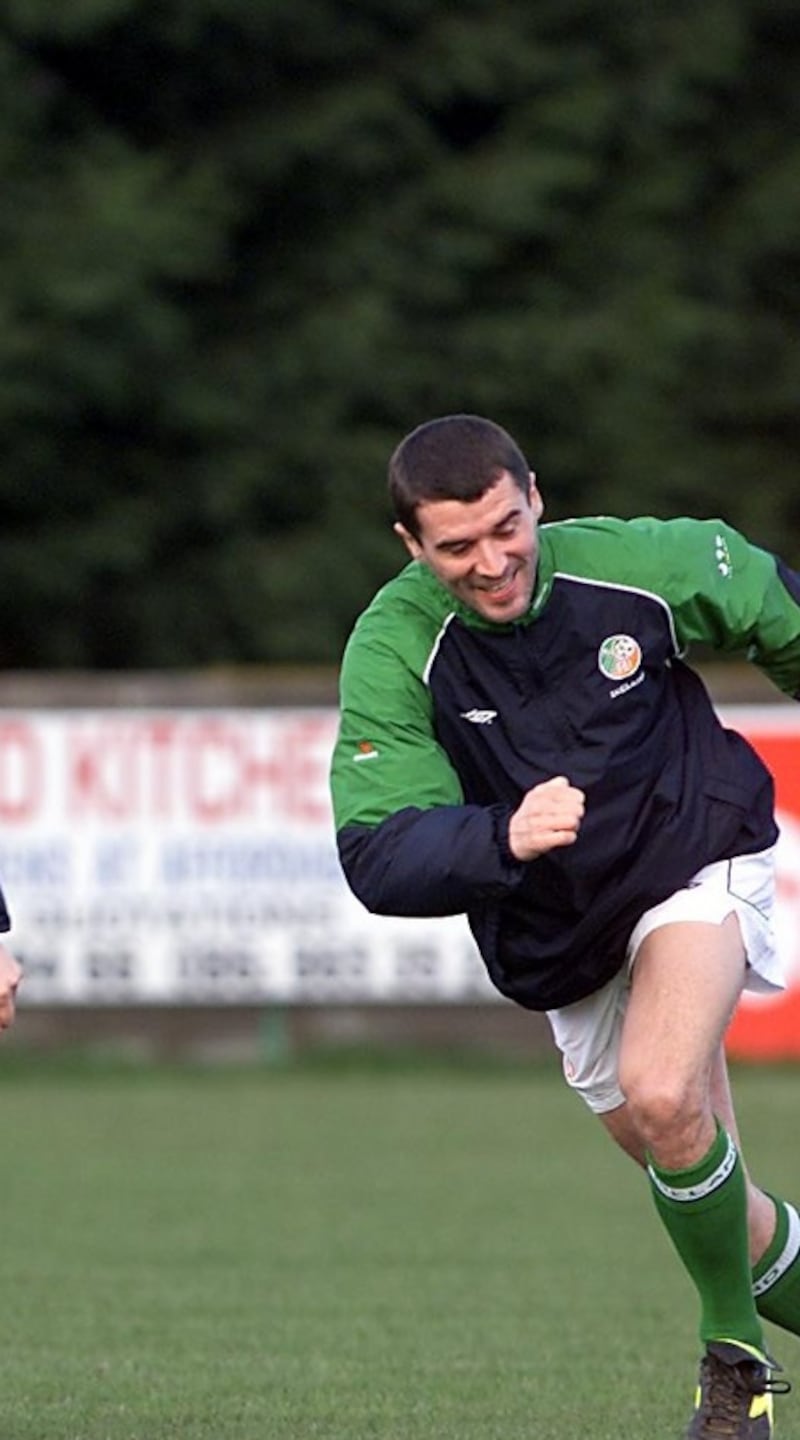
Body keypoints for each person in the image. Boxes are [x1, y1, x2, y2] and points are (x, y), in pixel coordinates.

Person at [329, 413, 800, 1439]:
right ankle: (744, 1311)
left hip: (693, 847)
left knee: (663, 1089)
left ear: (532, 495)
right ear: (411, 545)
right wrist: (500, 835)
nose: (492, 561)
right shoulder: (396, 646)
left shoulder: (630, 567)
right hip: (558, 940)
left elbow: (774, 605)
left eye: (506, 526)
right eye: (456, 547)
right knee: (710, 1191)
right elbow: (375, 849)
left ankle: (734, 1376)